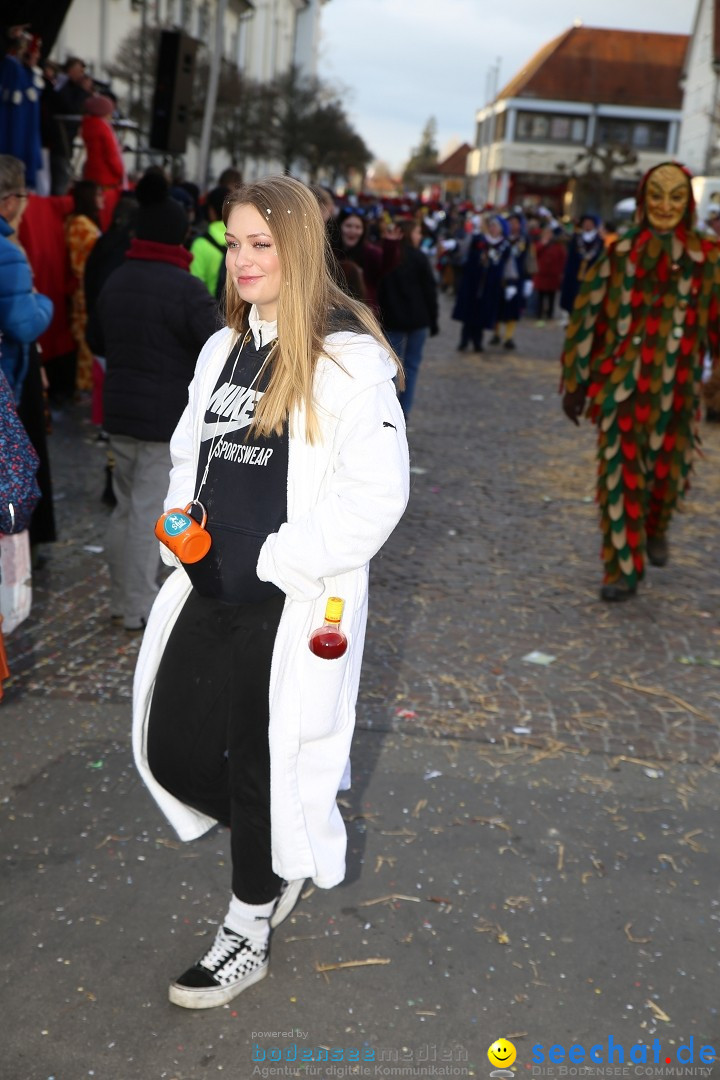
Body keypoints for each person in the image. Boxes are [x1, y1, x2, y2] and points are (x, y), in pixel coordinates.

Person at [133, 175, 409, 1010]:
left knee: (263, 764)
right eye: (236, 243)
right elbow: (191, 451)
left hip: (290, 607)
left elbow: (379, 495)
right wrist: (182, 519)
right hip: (204, 589)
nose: (244, 260)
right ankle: (282, 847)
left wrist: (286, 559)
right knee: (168, 751)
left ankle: (248, 921)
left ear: (299, 249)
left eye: (263, 244)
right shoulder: (223, 348)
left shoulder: (346, 359)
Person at [560, 161, 720, 602]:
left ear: (688, 202)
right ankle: (621, 569)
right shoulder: (620, 252)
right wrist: (575, 381)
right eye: (656, 195)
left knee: (666, 479)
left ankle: (657, 527)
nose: (665, 206)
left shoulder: (709, 257)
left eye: (676, 197)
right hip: (620, 388)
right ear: (643, 200)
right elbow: (586, 318)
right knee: (620, 473)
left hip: (680, 392)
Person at [87, 172, 216, 631]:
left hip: (120, 410)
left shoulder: (120, 277)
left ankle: (121, 598)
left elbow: (96, 337)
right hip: (164, 416)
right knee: (146, 510)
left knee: (125, 506)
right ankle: (137, 604)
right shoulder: (185, 289)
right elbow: (217, 346)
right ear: (177, 234)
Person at [0, 155, 52, 401]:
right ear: (9, 202)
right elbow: (24, 326)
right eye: (23, 197)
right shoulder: (8, 253)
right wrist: (43, 302)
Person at [377, 217, 438, 416]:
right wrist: (433, 319)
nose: (420, 236)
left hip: (393, 318)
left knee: (390, 368)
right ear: (408, 233)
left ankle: (390, 412)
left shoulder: (387, 255)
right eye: (417, 232)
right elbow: (430, 290)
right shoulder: (418, 257)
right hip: (415, 319)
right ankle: (403, 413)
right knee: (410, 368)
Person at [65, 179, 103, 393]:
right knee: (85, 341)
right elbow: (82, 261)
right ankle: (83, 388)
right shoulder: (81, 223)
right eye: (98, 196)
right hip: (84, 291)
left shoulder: (81, 222)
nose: (102, 201)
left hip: (86, 288)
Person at [559, 213, 604, 323]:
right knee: (573, 297)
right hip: (575, 274)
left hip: (591, 275)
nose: (587, 225)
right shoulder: (576, 238)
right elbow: (570, 257)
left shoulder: (599, 241)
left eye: (590, 223)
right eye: (585, 223)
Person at [189, 185, 230, 297]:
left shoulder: (200, 245)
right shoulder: (244, 241)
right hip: (236, 312)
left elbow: (194, 288)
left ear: (211, 210)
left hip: (209, 311)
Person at [533, 223, 567, 324]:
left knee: (552, 295)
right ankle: (539, 314)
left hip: (553, 274)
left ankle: (549, 314)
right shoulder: (539, 244)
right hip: (541, 273)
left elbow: (563, 259)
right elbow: (534, 254)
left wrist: (561, 272)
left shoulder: (558, 246)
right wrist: (542, 244)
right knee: (541, 295)